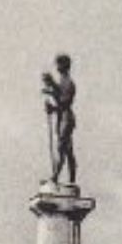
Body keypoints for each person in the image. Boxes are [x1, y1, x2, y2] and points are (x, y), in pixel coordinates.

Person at [40, 53, 77, 185]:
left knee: (63, 148)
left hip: (66, 118)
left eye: (58, 64)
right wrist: (51, 86)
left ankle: (56, 177)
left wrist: (52, 107)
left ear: (64, 66)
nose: (56, 67)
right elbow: (59, 94)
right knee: (67, 150)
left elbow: (64, 102)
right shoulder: (62, 81)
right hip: (62, 118)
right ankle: (70, 179)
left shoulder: (68, 83)